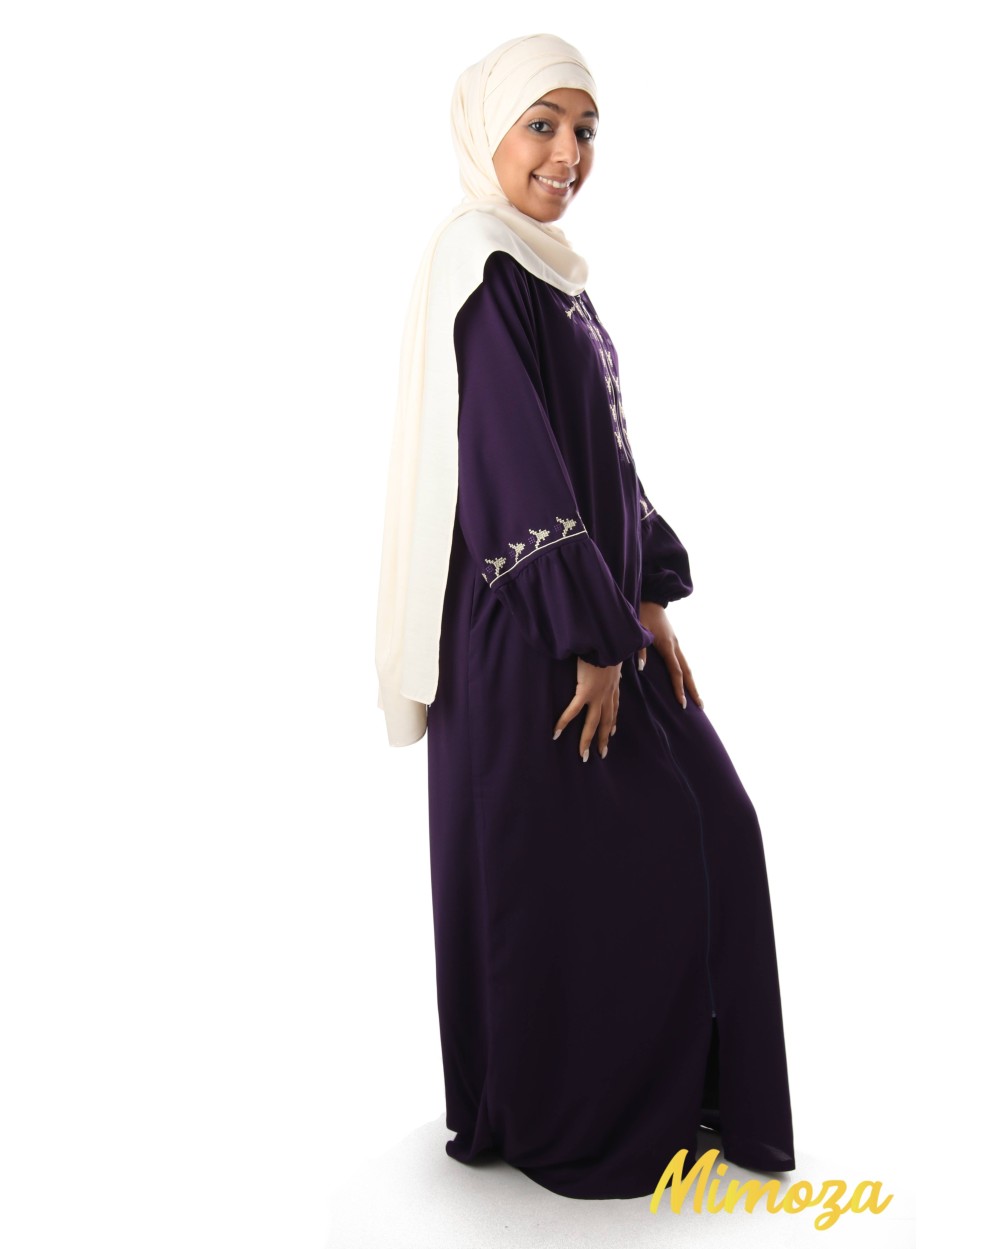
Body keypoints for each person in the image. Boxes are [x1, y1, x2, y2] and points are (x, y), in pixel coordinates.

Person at [374, 33, 795, 1200]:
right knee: (566, 873)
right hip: (531, 640)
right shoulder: (479, 265)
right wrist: (588, 636)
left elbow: (605, 454)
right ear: (490, 132)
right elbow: (510, 465)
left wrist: (646, 597)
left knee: (709, 827)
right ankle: (564, 1111)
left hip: (600, 624)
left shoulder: (551, 273)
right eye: (542, 125)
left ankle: (663, 1093)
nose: (567, 153)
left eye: (585, 130)